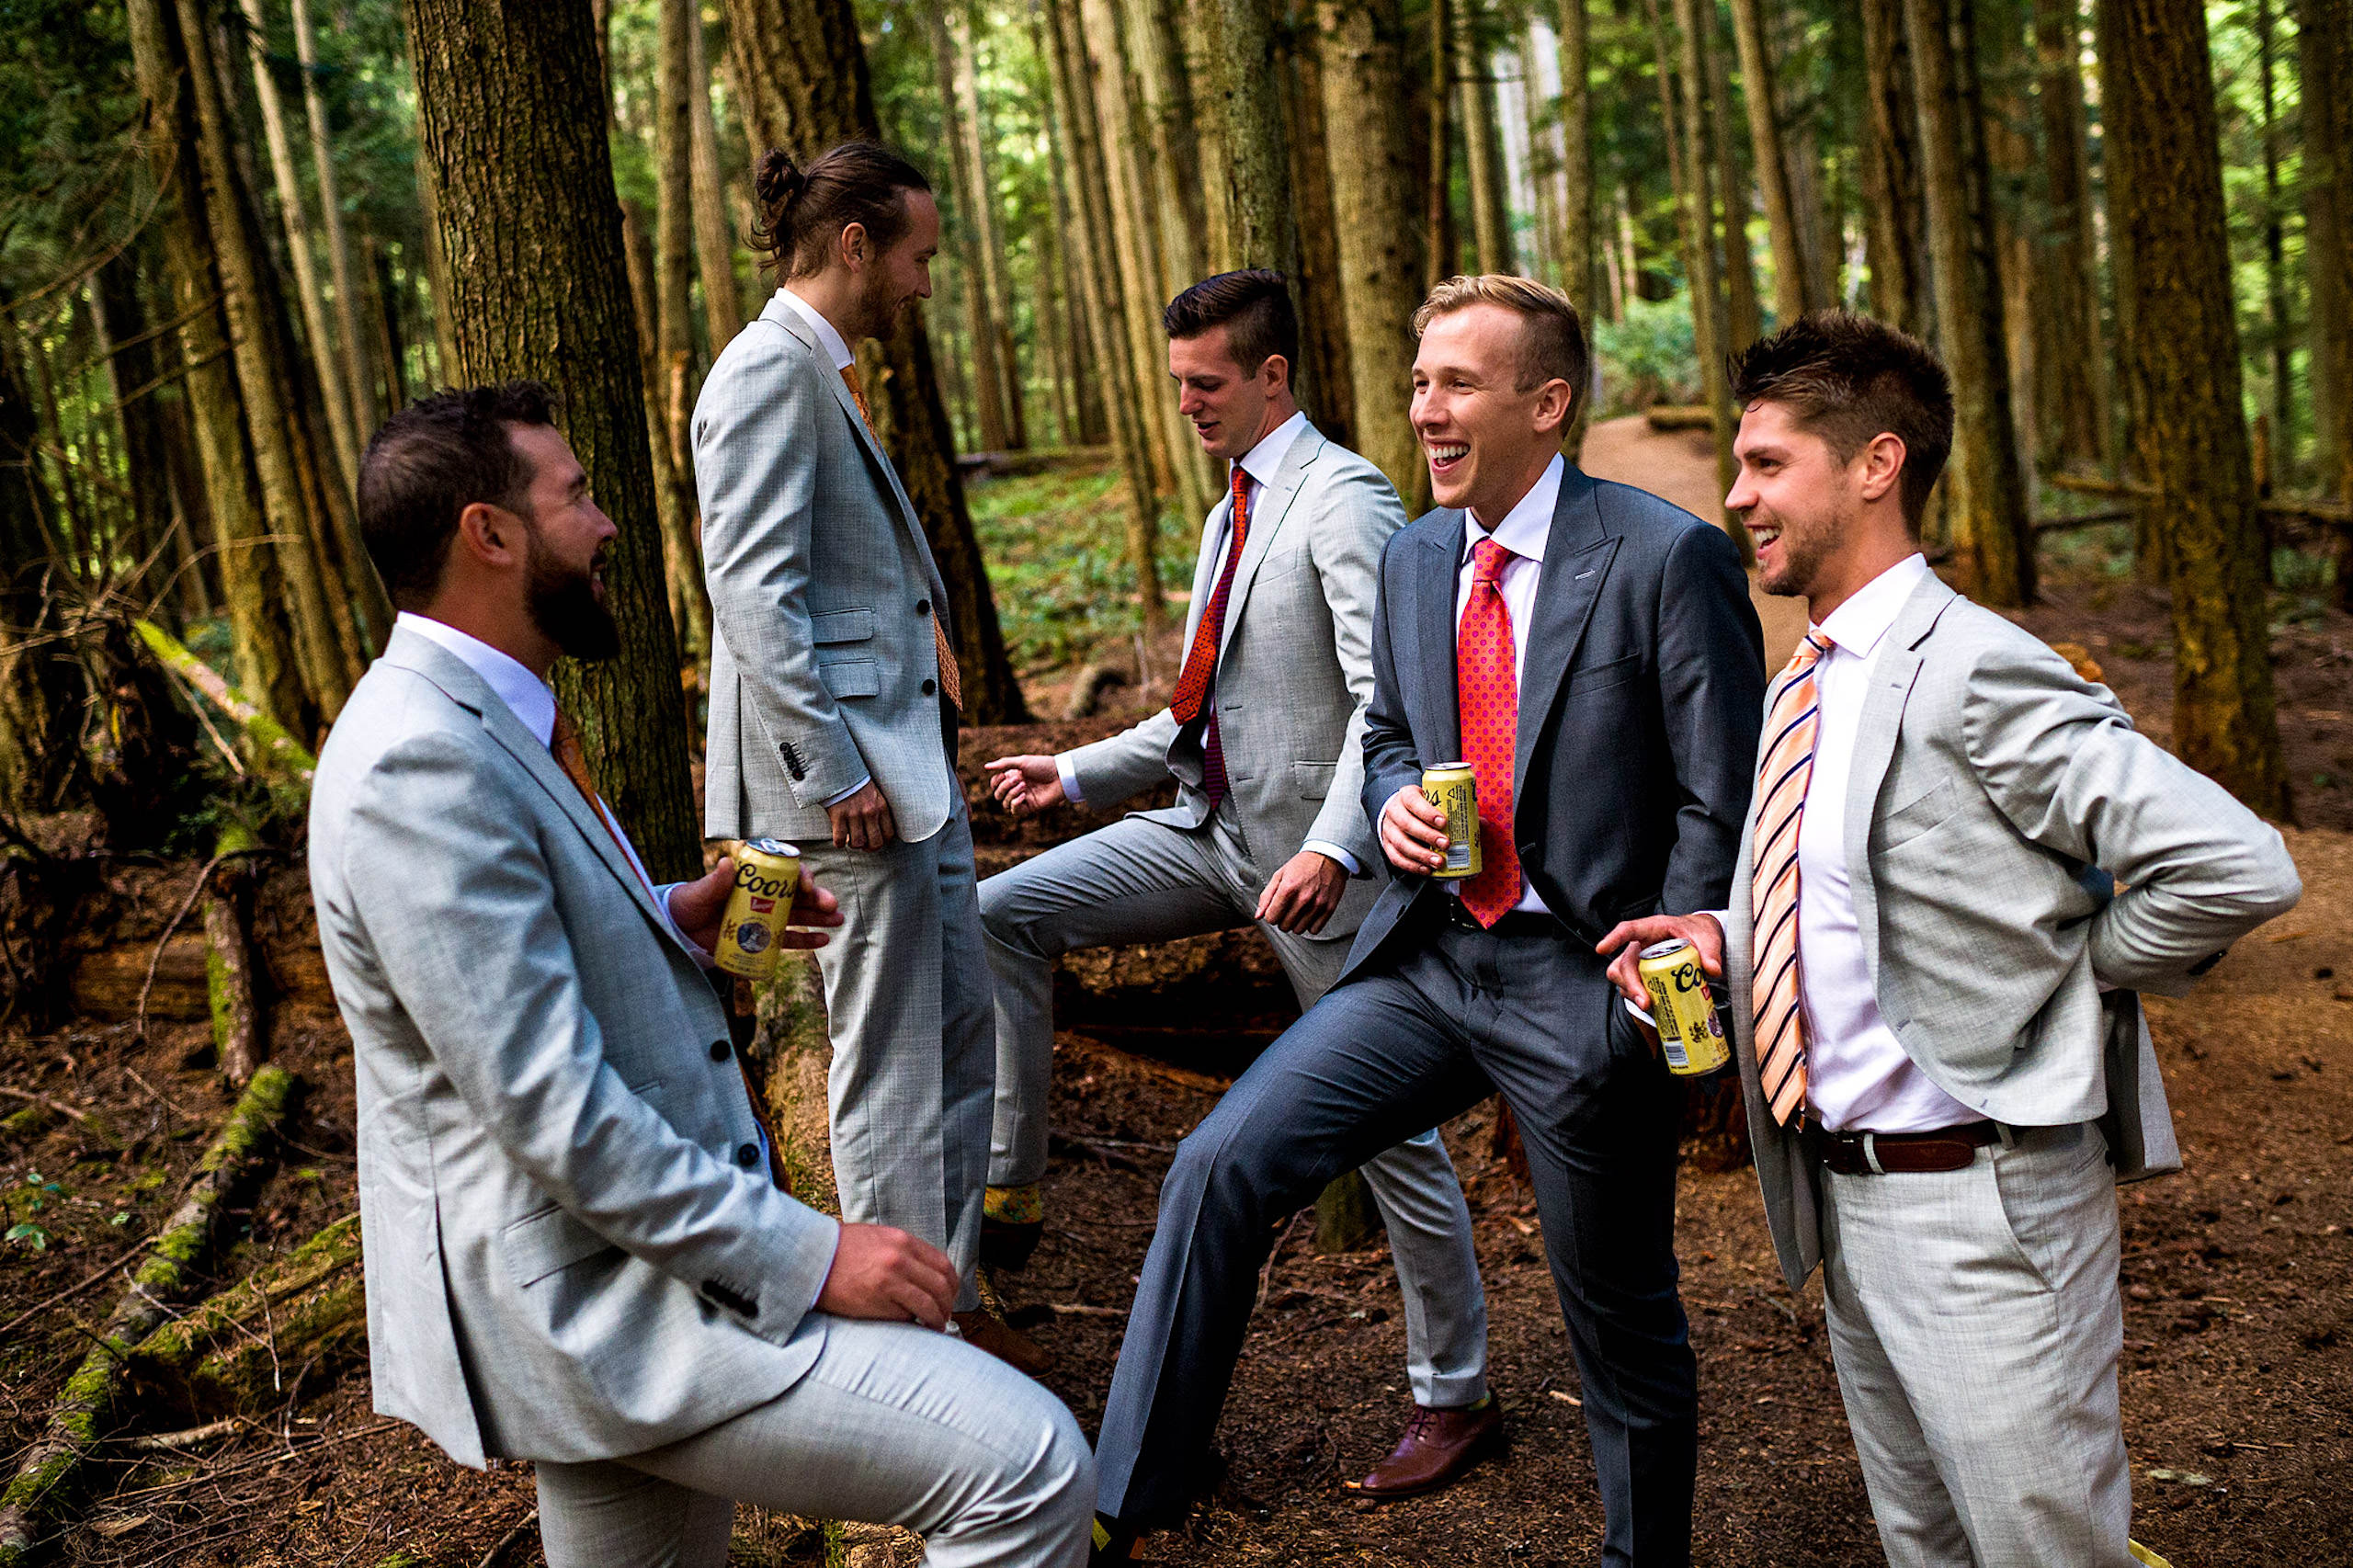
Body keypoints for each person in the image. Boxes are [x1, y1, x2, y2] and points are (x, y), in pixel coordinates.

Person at [312, 384, 1095, 1567]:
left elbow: (507, 991)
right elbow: (547, 1104)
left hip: (614, 1265)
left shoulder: (486, 717)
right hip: (591, 1302)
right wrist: (810, 1251)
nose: (606, 521)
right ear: (491, 533)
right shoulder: (415, 762)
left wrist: (671, 922)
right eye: (573, 494)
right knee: (1026, 1463)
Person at [1598, 311, 2304, 1568]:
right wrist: (1722, 932)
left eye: (1768, 464)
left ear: (1876, 463)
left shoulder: (1975, 665)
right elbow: (1854, 893)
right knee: (1924, 1545)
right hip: (1846, 1205)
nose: (1737, 493)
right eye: (1740, 464)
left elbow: (2234, 863)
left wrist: (2068, 973)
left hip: (1986, 1209)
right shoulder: (1806, 672)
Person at [1086, 275, 1766, 1566]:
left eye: (1455, 383)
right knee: (1220, 1165)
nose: (1424, 410)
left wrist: (1668, 970)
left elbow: (1715, 792)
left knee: (1620, 1328)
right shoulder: (1412, 556)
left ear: (1546, 402)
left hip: (1587, 985)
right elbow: (1391, 730)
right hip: (1434, 960)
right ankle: (1127, 1499)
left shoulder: (1666, 556)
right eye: (1417, 383)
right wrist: (1389, 808)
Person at [981, 269, 1494, 1496]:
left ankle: (1456, 1392)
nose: (1186, 405)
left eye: (1205, 384)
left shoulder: (1344, 497)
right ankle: (1011, 1184)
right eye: (1175, 384)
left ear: (1272, 375)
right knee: (999, 913)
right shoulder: (1232, 510)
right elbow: (1196, 709)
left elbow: (1393, 697)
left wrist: (1335, 846)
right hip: (1207, 830)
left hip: (1319, 868)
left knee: (1395, 1138)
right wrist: (1073, 771)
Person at [694, 142, 1039, 1368]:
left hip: (904, 771)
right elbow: (752, 591)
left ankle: (942, 1294)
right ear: (855, 246)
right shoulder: (765, 375)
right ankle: (902, 1352)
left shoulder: (814, 372)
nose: (923, 282)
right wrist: (831, 770)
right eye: (917, 256)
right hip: (852, 788)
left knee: (951, 1035)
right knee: (888, 1061)